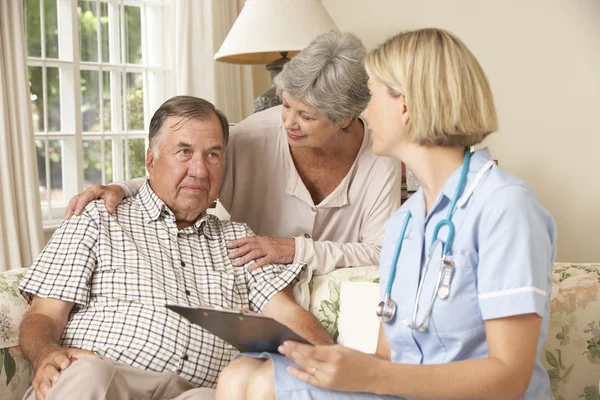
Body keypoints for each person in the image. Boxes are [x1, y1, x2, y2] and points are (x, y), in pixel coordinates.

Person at [215, 28, 557, 400]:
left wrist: (372, 375)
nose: (362, 113)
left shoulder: (504, 207)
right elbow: (387, 356)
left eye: (372, 96)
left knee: (264, 385)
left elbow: (510, 378)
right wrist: (338, 364)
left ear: (405, 106)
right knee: (241, 373)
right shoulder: (407, 221)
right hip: (404, 391)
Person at [18, 96, 333, 400]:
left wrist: (337, 368)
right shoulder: (99, 216)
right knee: (90, 375)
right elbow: (44, 316)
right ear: (151, 160)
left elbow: (289, 316)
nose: (199, 169)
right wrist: (47, 354)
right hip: (105, 380)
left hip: (194, 392)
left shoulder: (239, 239)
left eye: (213, 155)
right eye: (184, 152)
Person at [65, 31, 402, 276]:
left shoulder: (380, 156)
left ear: (345, 118)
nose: (289, 122)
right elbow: (187, 177)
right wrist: (121, 189)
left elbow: (382, 252)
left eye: (307, 116)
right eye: (286, 105)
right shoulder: (254, 135)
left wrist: (293, 249)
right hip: (259, 289)